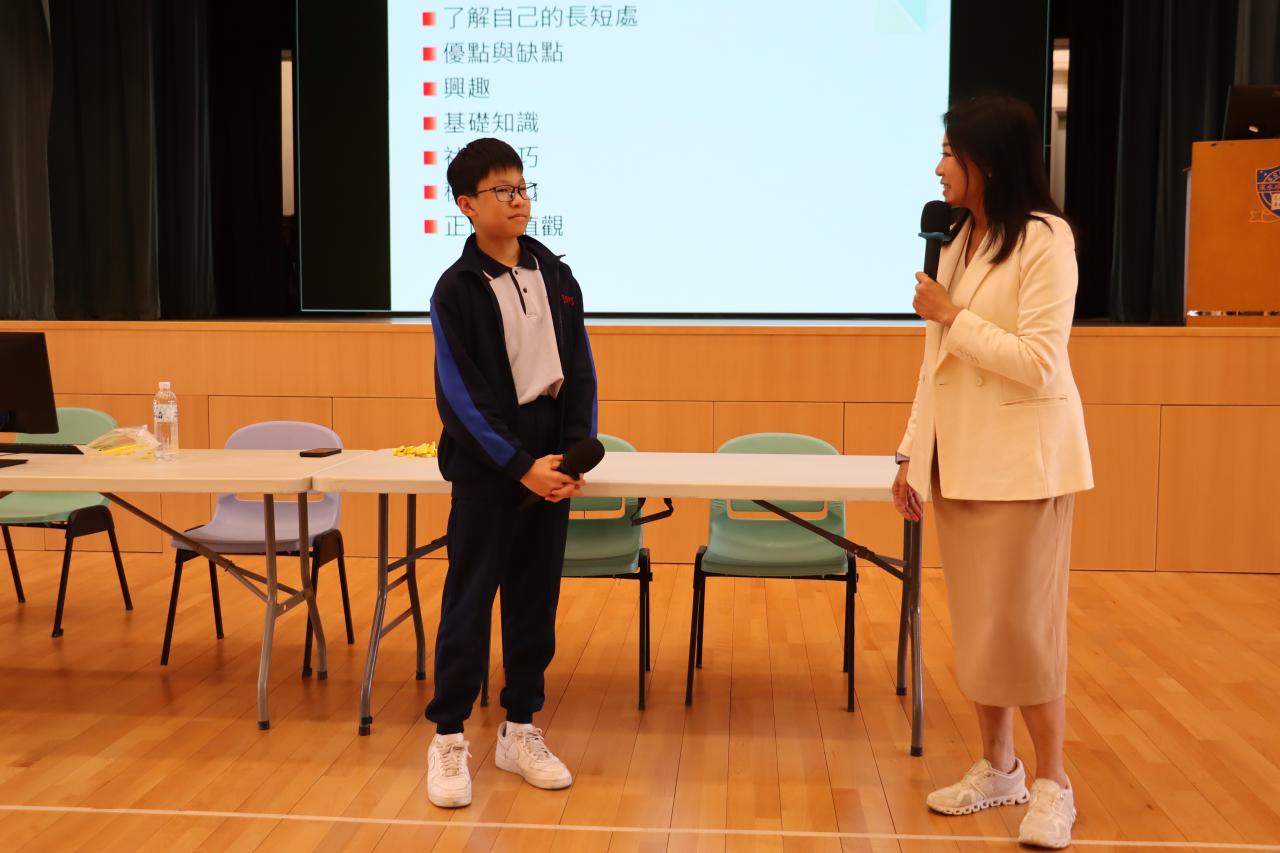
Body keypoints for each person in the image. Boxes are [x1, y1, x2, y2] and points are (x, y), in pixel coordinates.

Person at [891, 95, 1093, 850]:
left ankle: (1054, 783)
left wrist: (952, 315)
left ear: (988, 161)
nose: (939, 167)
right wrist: (912, 452)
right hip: (961, 462)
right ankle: (1000, 767)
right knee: (980, 629)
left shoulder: (1046, 239)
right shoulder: (959, 238)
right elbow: (935, 367)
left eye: (950, 153)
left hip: (1024, 467)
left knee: (1025, 632)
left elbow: (1039, 361)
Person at [425, 137, 598, 808]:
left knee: (535, 602)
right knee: (469, 601)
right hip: (489, 464)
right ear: (467, 205)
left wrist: (573, 454)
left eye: (522, 187)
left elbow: (579, 370)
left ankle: (519, 728)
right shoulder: (456, 289)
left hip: (548, 456)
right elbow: (460, 396)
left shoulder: (557, 275)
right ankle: (448, 737)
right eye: (502, 190)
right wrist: (519, 465)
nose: (518, 199)